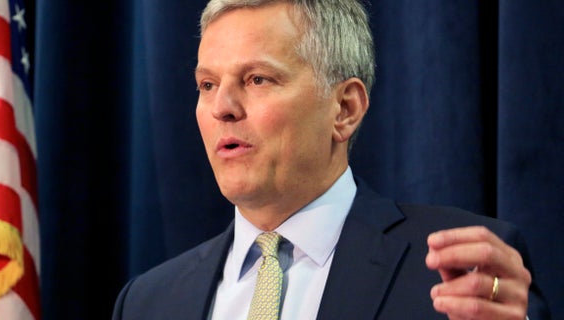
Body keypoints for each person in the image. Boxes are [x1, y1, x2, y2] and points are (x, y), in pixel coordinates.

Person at [112, 0, 551, 319]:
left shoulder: (458, 273)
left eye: (257, 79)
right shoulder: (148, 302)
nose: (221, 106)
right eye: (207, 85)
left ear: (344, 109)